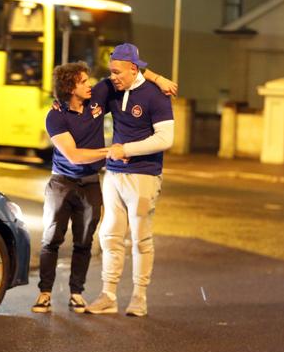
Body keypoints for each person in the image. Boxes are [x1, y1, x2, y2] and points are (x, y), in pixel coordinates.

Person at [32, 61, 177, 313]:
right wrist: (112, 151)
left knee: (86, 239)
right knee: (52, 237)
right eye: (83, 82)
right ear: (70, 87)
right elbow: (74, 156)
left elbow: (132, 69)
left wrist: (158, 78)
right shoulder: (55, 116)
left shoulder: (97, 95)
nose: (91, 84)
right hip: (62, 182)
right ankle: (45, 292)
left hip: (91, 181)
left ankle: (77, 292)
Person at [85, 43, 174, 317]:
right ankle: (108, 295)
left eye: (118, 72)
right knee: (109, 235)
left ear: (134, 69)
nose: (113, 77)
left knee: (140, 238)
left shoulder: (156, 97)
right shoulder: (111, 87)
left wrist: (128, 149)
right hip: (114, 173)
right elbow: (81, 98)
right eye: (111, 72)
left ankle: (139, 297)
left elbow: (165, 139)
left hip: (144, 175)